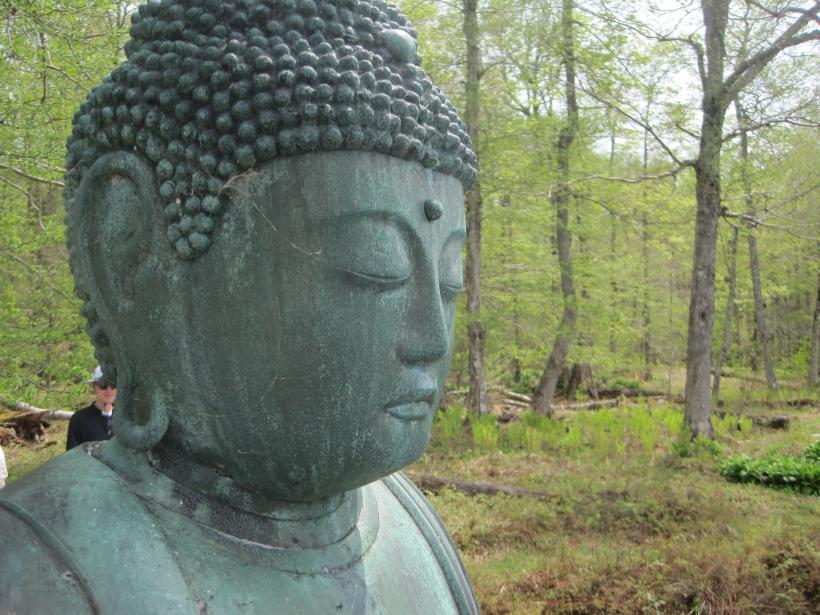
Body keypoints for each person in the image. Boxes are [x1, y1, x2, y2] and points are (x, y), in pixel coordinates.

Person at [0, 0, 478, 612]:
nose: (432, 340)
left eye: (448, 280)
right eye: (372, 267)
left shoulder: (415, 531)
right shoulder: (34, 570)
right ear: (132, 258)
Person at [66, 366, 116, 450]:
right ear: (94, 387)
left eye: (113, 385)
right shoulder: (79, 419)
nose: (109, 390)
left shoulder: (128, 418)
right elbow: (72, 457)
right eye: (103, 385)